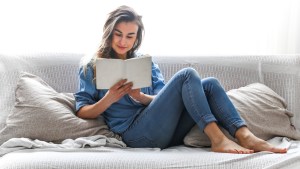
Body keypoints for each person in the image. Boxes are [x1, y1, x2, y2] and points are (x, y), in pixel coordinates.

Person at [74, 5, 287, 154]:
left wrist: (140, 97)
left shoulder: (144, 63)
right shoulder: (91, 66)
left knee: (210, 84)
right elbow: (82, 110)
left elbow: (165, 98)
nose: (123, 41)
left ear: (137, 38)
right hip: (135, 135)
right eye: (118, 34)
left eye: (130, 36)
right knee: (187, 75)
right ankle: (217, 139)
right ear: (108, 33)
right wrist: (110, 99)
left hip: (165, 129)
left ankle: (245, 135)